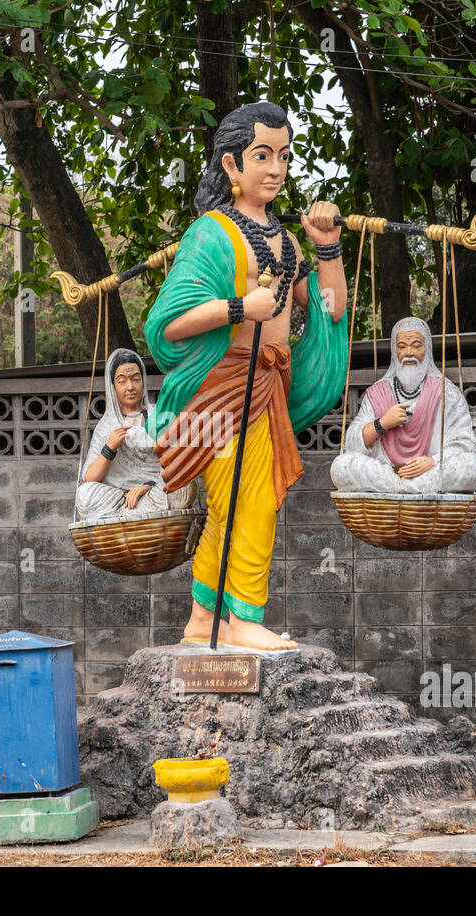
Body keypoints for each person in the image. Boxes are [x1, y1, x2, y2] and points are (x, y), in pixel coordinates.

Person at [145, 101, 349, 652]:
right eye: (262, 155)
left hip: (269, 385)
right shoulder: (211, 234)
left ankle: (201, 617)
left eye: (283, 156)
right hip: (220, 388)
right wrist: (239, 308)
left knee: (233, 505)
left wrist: (326, 246)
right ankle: (243, 620)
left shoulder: (283, 238)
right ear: (232, 166)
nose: (276, 168)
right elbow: (167, 325)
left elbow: (329, 308)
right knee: (249, 501)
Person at [330, 316, 476, 494]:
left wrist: (432, 462)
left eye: (416, 345)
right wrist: (382, 423)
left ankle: (402, 489)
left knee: (475, 466)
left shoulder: (447, 393)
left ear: (427, 349)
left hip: (430, 472)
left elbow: (465, 444)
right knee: (341, 466)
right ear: (394, 351)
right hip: (387, 473)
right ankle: (402, 486)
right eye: (402, 347)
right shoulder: (377, 392)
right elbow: (352, 444)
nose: (409, 353)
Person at [77, 348, 198, 519]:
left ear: (143, 382)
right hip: (120, 498)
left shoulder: (159, 417)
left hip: (154, 492)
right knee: (85, 495)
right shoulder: (106, 426)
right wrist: (109, 448)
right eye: (122, 381)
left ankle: (128, 516)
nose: (130, 387)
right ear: (113, 387)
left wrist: (147, 486)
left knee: (183, 485)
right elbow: (90, 478)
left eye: (136, 379)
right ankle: (132, 514)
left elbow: (179, 462)